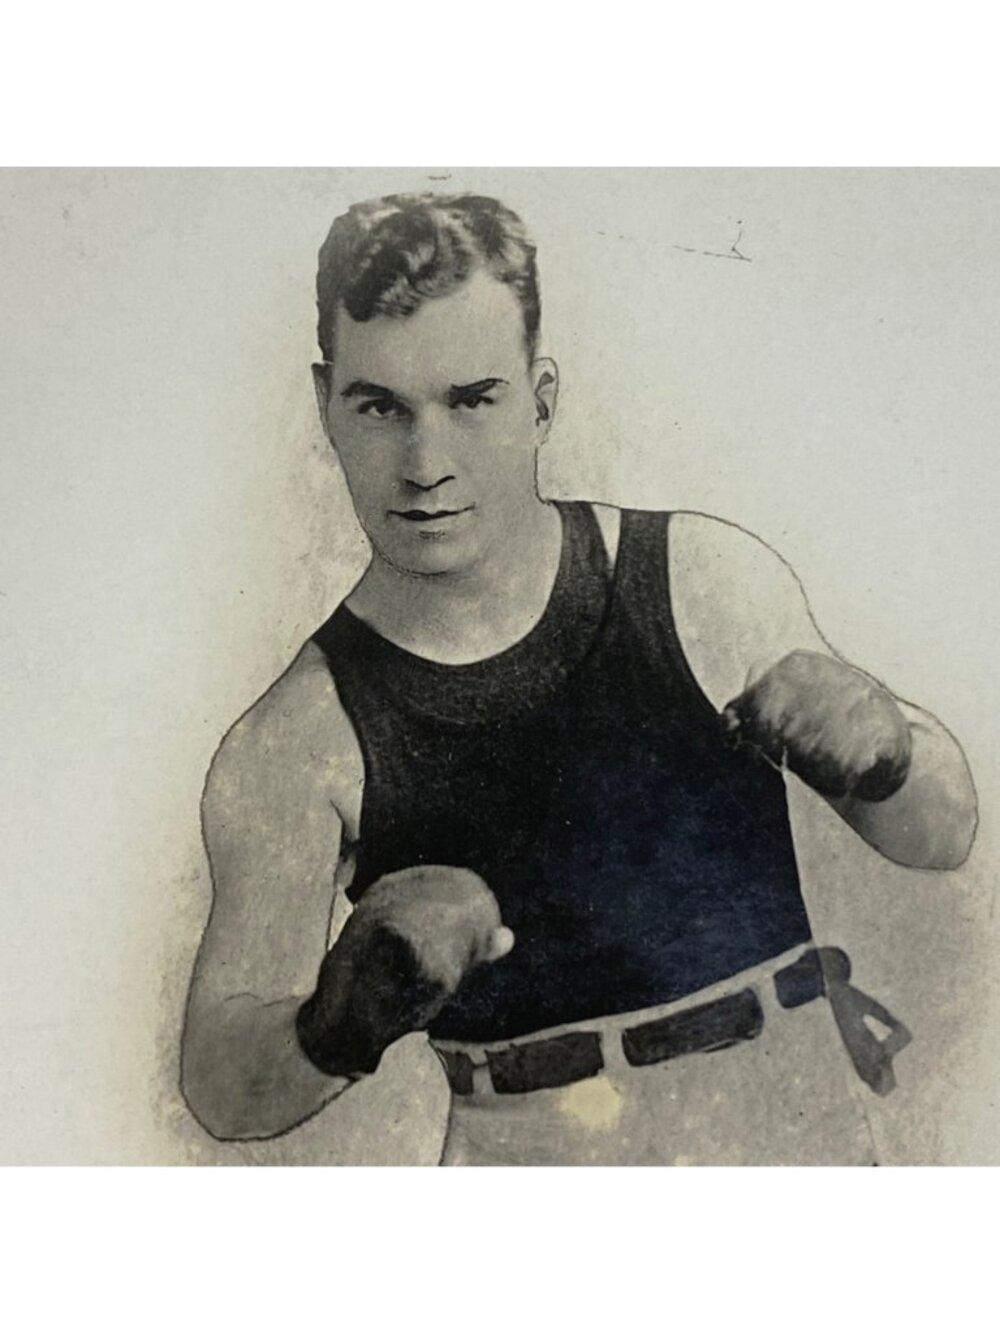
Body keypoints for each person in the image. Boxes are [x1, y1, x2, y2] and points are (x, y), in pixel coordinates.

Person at [180, 192, 977, 1165]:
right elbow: (220, 1081)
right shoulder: (298, 738)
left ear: (541, 400)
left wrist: (889, 755)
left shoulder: (696, 580)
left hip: (788, 1127)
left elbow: (945, 834)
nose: (426, 464)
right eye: (381, 407)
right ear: (325, 408)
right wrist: (338, 1023)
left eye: (472, 400)